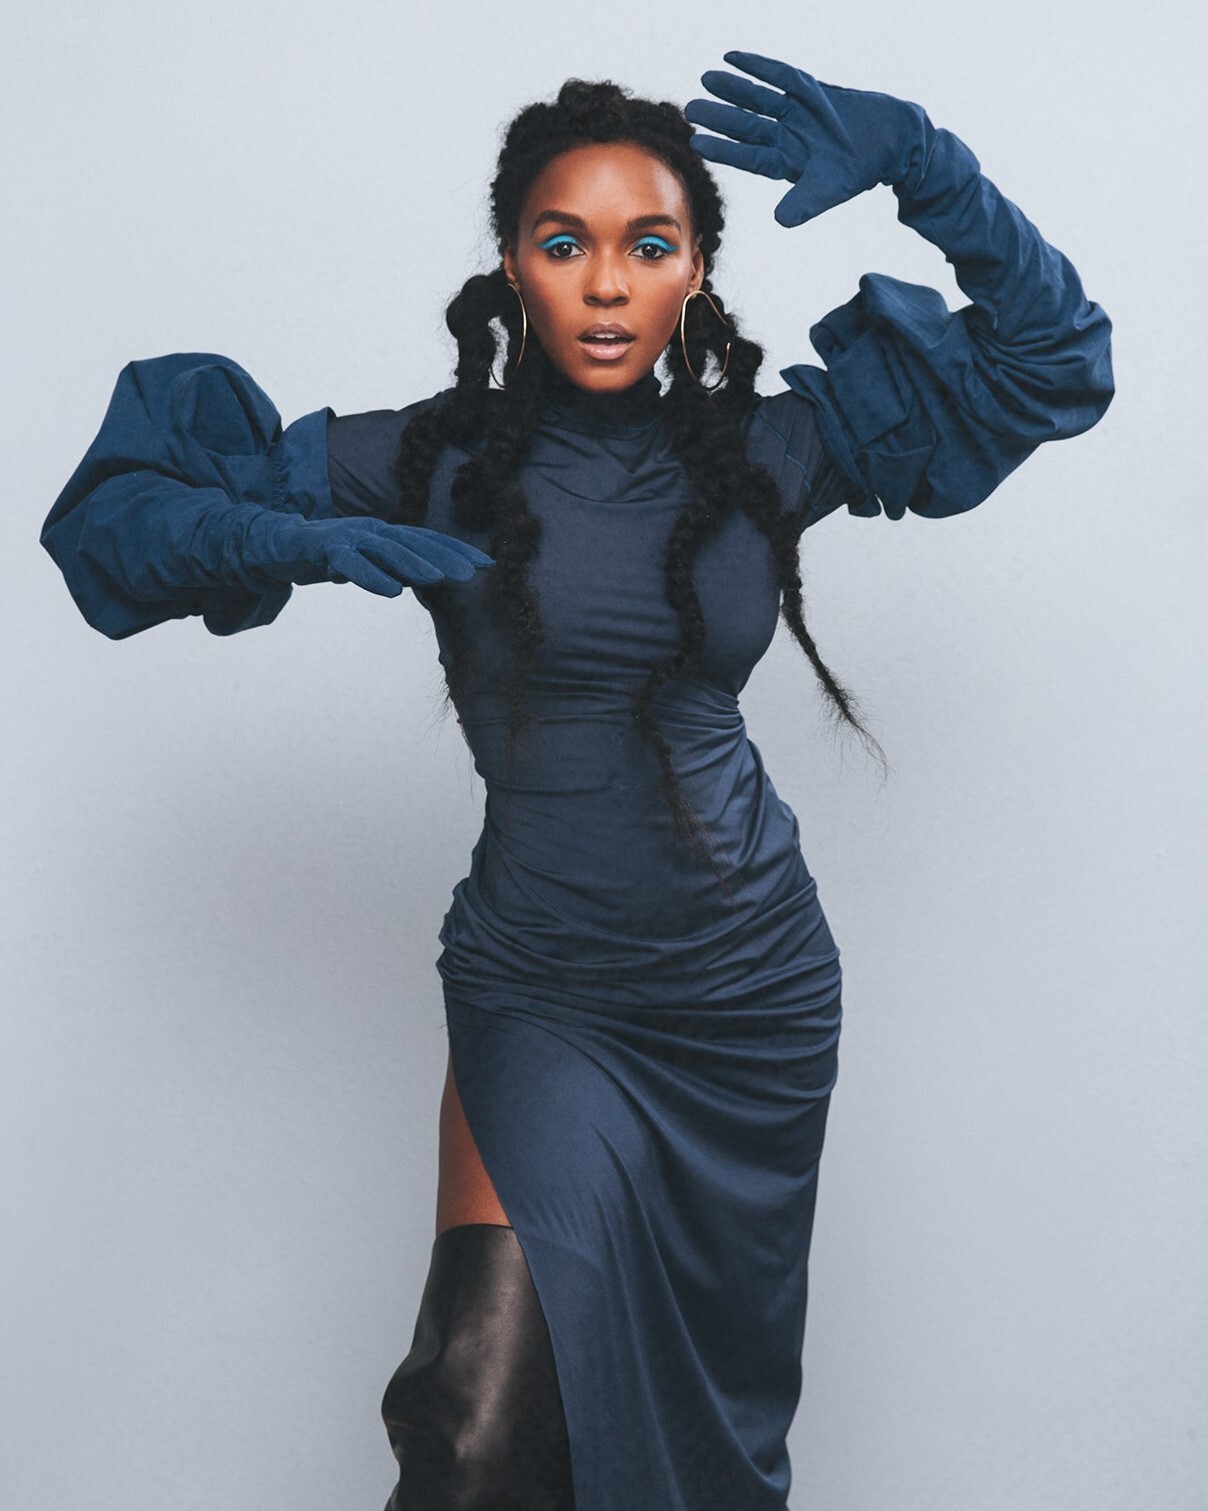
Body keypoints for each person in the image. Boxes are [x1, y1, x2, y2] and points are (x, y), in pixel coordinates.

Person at [39, 50, 1113, 1511]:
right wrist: (282, 537)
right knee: (474, 1431)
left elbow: (1056, 366)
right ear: (513, 267)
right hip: (541, 985)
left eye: (647, 245)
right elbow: (112, 517)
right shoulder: (429, 459)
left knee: (696, 1452)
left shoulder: (771, 449)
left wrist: (930, 167)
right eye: (566, 244)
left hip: (748, 996)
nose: (606, 284)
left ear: (695, 272)